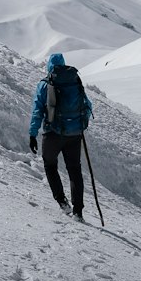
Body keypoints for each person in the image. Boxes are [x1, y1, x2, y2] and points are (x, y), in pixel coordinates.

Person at [28, 52, 93, 220]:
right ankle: (78, 211)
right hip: (75, 133)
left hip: (53, 134)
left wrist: (32, 134)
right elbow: (87, 104)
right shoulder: (74, 80)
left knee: (50, 165)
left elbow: (38, 111)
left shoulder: (45, 85)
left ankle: (63, 202)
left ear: (49, 66)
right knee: (74, 170)